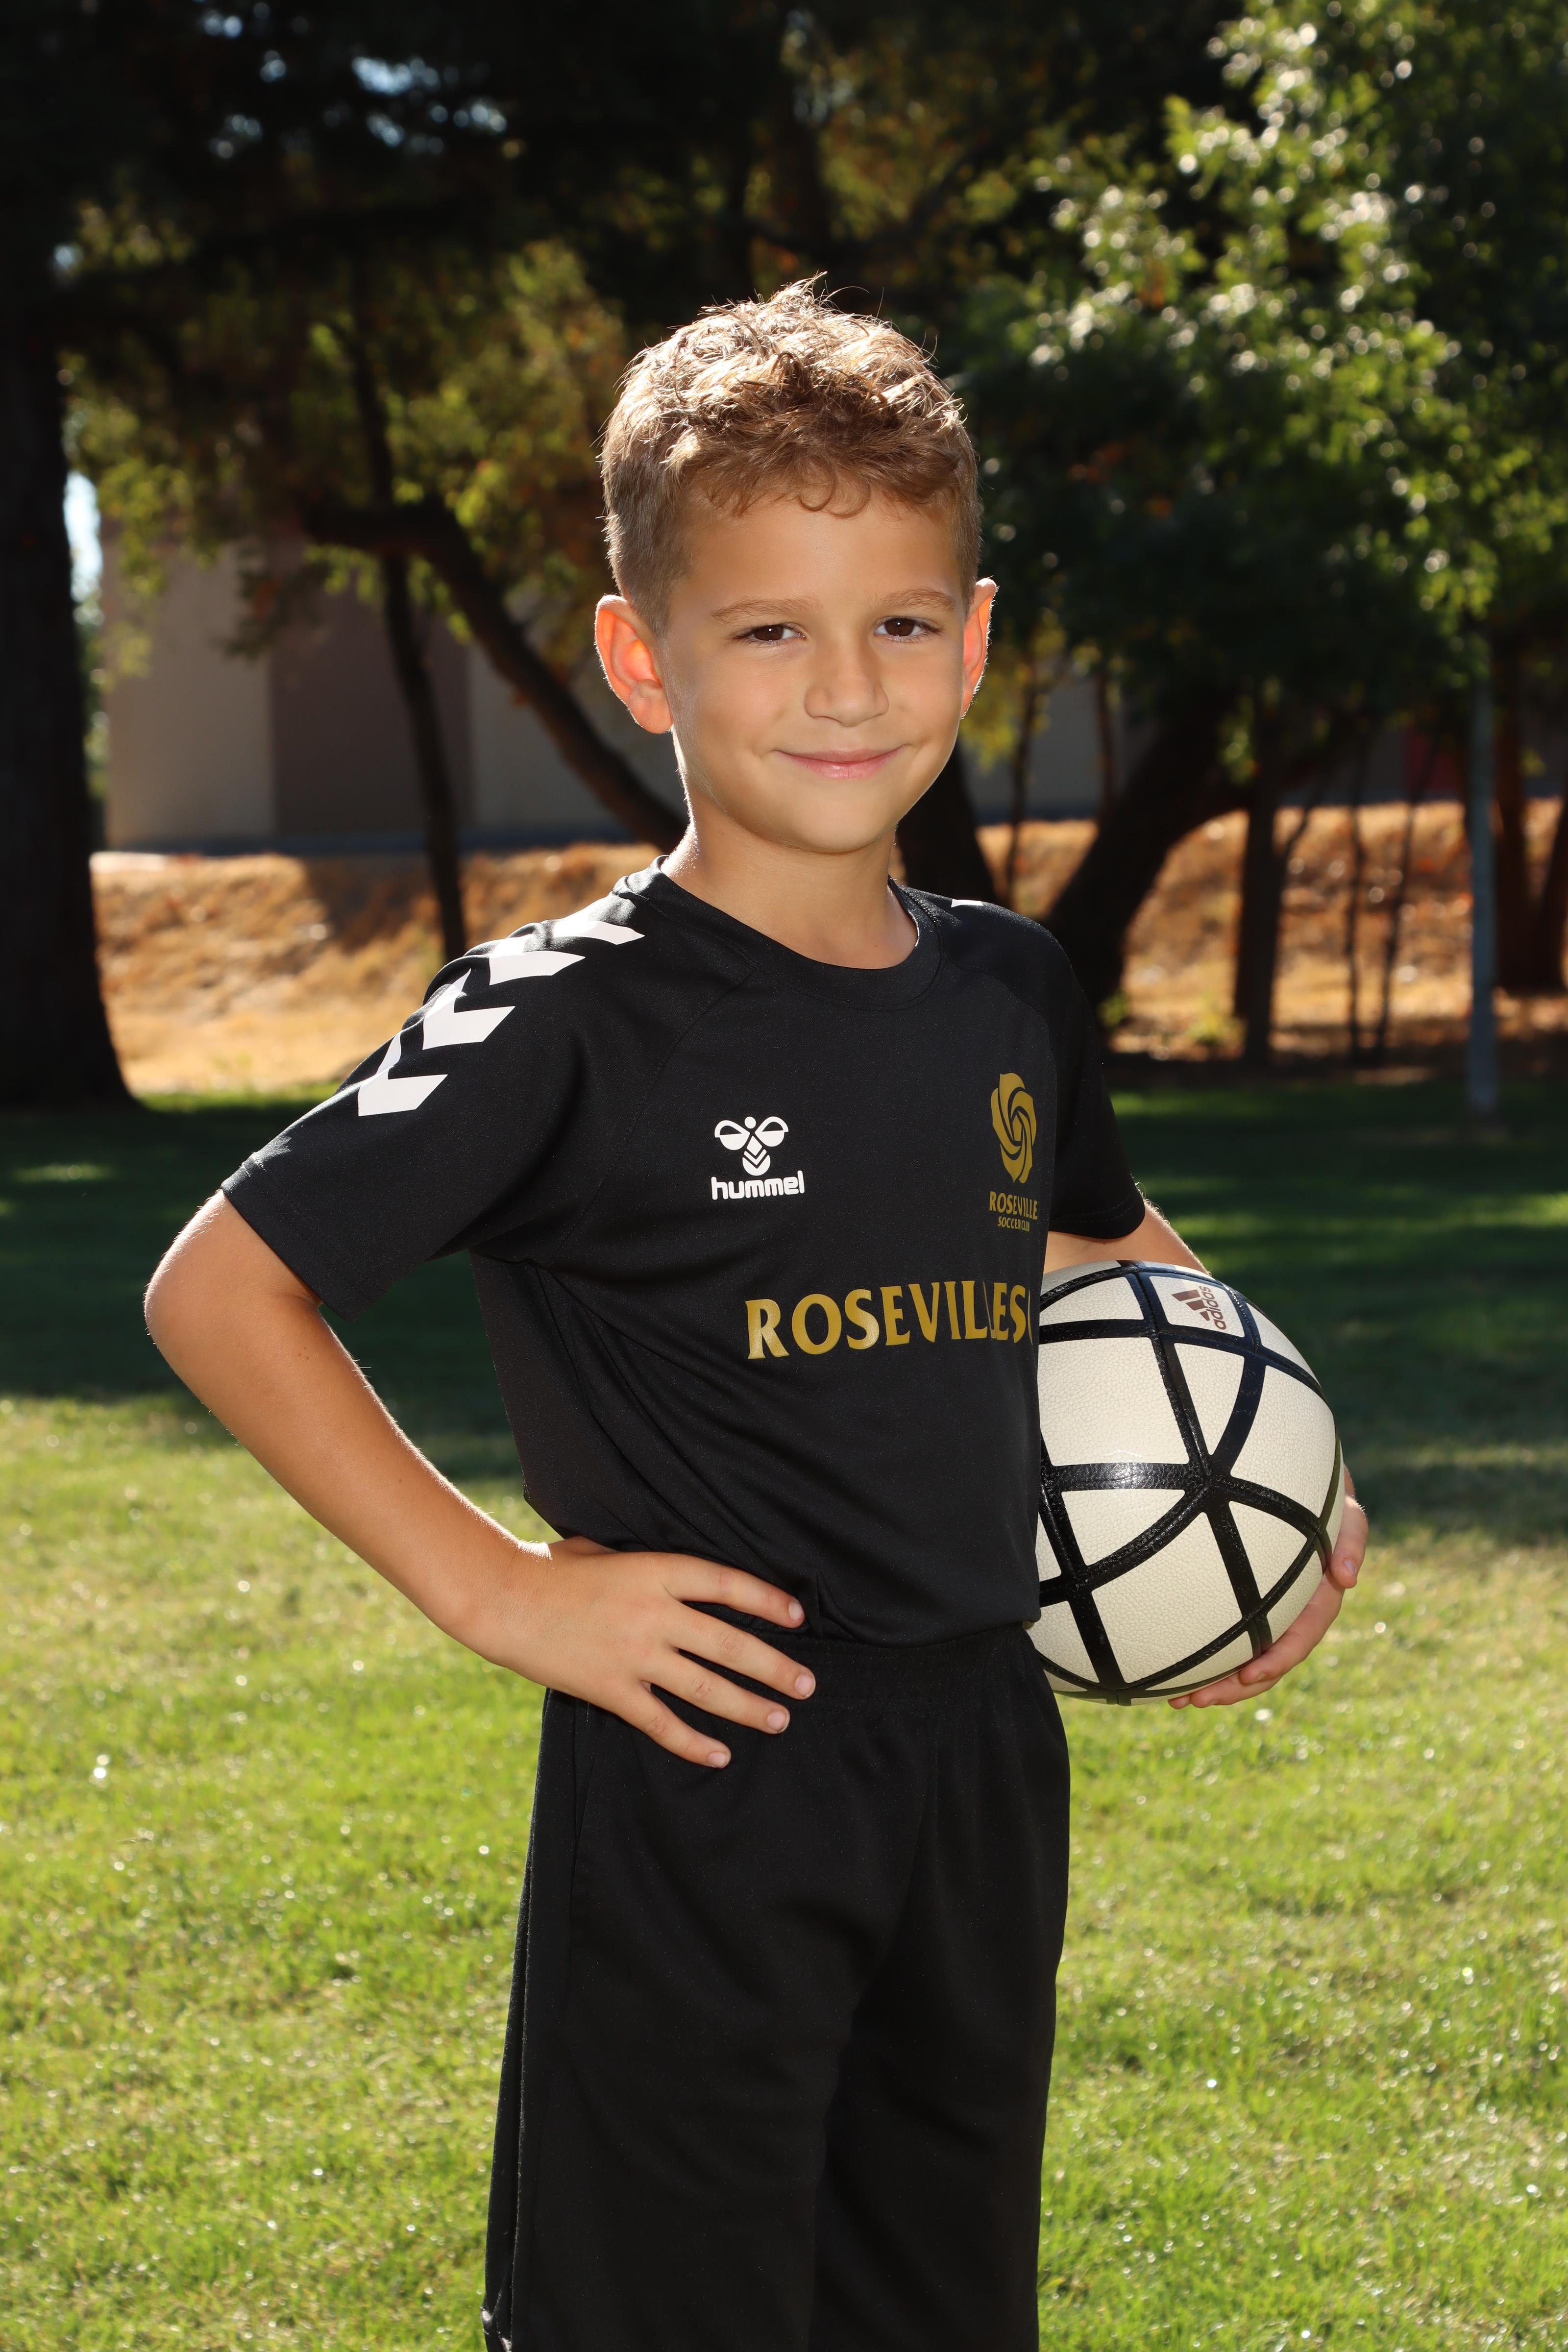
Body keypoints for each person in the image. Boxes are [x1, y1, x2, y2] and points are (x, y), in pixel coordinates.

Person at [145, 281, 1367, 2352]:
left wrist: (1274, 1505)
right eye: (770, 629)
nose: (847, 686)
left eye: (900, 621)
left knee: (934, 2300)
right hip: (710, 1766)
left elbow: (1099, 1257)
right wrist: (499, 1591)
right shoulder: (567, 1020)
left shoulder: (1006, 991)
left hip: (980, 1764)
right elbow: (220, 1286)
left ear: (974, 639)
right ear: (644, 657)